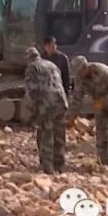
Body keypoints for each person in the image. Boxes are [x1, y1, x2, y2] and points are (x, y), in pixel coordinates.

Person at [68, 56, 108, 167]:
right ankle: (102, 159)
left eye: (80, 71)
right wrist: (71, 117)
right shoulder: (79, 78)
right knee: (101, 130)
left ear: (85, 67)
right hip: (100, 103)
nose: (79, 75)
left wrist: (102, 101)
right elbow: (77, 99)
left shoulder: (103, 72)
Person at [22, 46, 68, 174]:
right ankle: (60, 165)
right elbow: (60, 82)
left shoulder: (32, 67)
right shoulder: (51, 64)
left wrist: (30, 113)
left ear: (28, 58)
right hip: (61, 101)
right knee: (59, 134)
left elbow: (31, 91)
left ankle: (48, 167)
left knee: (45, 134)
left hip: (47, 105)